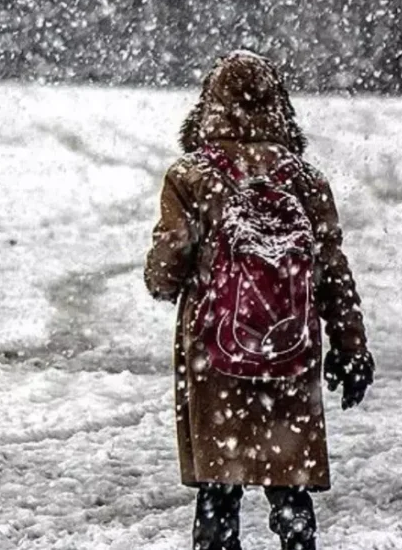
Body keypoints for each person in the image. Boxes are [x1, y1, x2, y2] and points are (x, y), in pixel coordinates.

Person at [144, 51, 375, 550]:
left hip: (216, 353)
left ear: (209, 106)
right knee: (289, 488)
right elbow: (332, 272)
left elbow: (170, 262)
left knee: (218, 493)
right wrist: (351, 347)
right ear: (280, 107)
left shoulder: (190, 177)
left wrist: (162, 281)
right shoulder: (306, 180)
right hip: (288, 353)